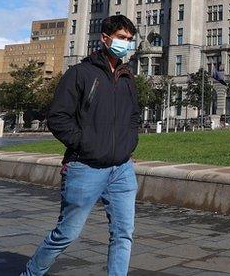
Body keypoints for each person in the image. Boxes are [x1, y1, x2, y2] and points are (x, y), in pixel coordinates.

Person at [22, 15, 141, 276]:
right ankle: (31, 273)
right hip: (85, 167)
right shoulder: (80, 73)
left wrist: (129, 142)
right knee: (67, 233)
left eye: (130, 40)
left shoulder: (126, 77)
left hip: (122, 169)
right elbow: (58, 117)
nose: (126, 44)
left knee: (124, 235)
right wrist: (86, 144)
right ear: (105, 39)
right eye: (122, 38)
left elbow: (134, 115)